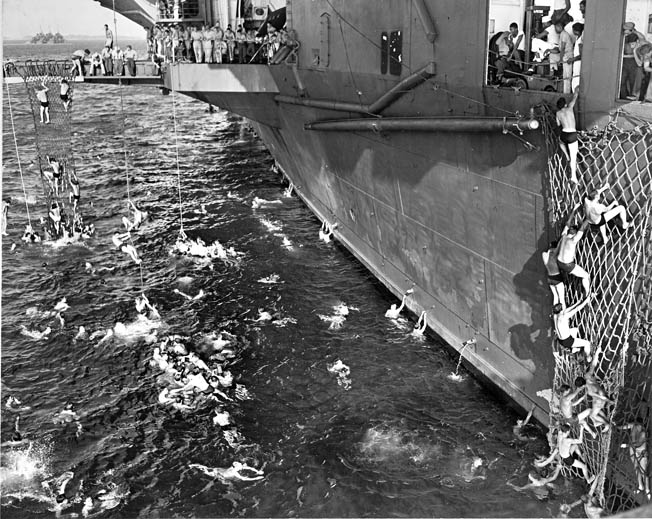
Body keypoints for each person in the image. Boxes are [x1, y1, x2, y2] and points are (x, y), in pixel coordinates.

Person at [556, 205, 590, 292]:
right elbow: (582, 228)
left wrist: (574, 209)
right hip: (567, 265)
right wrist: (589, 217)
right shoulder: (574, 239)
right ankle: (588, 294)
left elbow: (568, 223)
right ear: (575, 232)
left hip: (559, 262)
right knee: (586, 275)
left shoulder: (564, 235)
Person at [553, 294, 593, 359]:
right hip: (568, 341)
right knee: (587, 343)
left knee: (575, 329)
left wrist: (577, 303)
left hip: (560, 340)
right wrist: (586, 301)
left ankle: (573, 349)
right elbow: (577, 309)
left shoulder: (555, 316)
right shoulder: (564, 316)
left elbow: (567, 310)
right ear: (561, 309)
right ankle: (588, 358)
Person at [576, 370, 613, 437]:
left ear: (582, 386)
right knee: (594, 411)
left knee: (592, 415)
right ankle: (605, 420)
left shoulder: (590, 391)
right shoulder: (588, 376)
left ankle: (606, 424)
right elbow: (593, 364)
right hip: (602, 392)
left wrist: (609, 401)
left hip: (599, 401)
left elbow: (601, 397)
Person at [619, 422, 650, 499]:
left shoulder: (643, 433)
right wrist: (615, 425)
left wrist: (626, 445)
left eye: (637, 426)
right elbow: (623, 427)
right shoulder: (633, 425)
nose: (634, 428)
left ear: (641, 426)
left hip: (641, 452)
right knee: (636, 469)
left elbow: (638, 444)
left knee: (644, 472)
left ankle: (647, 489)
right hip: (633, 450)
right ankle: (640, 486)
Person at [621, 23, 647, 100]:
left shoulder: (635, 36)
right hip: (625, 61)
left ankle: (631, 96)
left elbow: (642, 39)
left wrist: (634, 32)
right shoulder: (624, 37)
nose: (624, 32)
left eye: (626, 30)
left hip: (633, 61)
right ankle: (624, 96)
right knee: (623, 80)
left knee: (633, 80)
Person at [542, 241, 565, 309]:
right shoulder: (555, 254)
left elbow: (551, 251)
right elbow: (558, 248)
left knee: (555, 296)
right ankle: (563, 315)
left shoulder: (544, 254)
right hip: (556, 277)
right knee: (561, 299)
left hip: (549, 278)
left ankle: (555, 314)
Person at [190, 461, 264, 482]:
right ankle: (193, 466)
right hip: (218, 473)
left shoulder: (236, 467)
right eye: (239, 464)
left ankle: (194, 465)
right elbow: (244, 479)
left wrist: (257, 471)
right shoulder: (235, 472)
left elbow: (249, 468)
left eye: (240, 464)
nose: (241, 464)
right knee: (205, 471)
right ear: (236, 467)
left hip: (220, 469)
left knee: (206, 468)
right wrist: (256, 478)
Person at [555, 22, 574, 93]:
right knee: (565, 77)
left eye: (556, 27)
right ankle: (565, 92)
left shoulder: (564, 34)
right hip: (566, 56)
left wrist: (560, 59)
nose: (555, 29)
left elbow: (562, 48)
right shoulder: (562, 34)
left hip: (568, 56)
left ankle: (567, 93)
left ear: (559, 27)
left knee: (567, 77)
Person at [567, 23, 583, 92]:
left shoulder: (580, 40)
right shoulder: (578, 38)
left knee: (576, 79)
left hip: (578, 63)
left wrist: (572, 59)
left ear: (576, 31)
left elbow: (581, 55)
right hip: (576, 63)